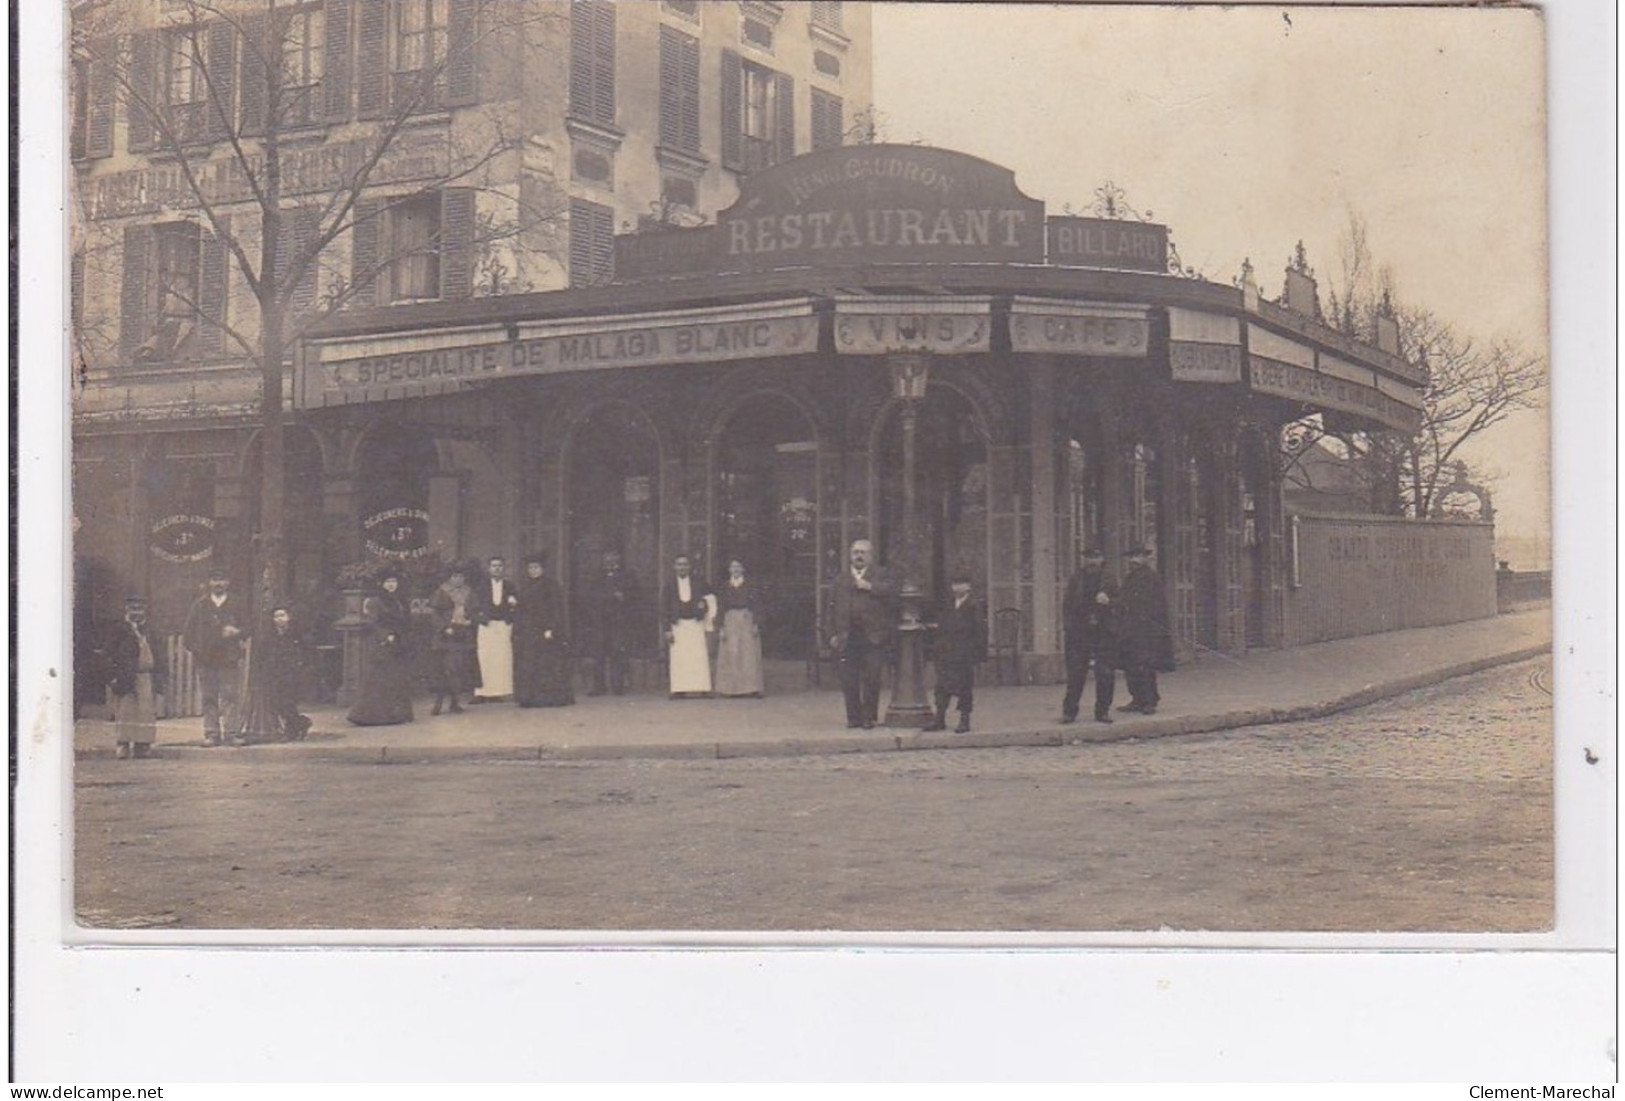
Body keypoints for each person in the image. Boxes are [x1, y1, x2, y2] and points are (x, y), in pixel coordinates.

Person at [828, 539, 897, 729]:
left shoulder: (881, 575)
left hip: (873, 635)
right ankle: (853, 717)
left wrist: (870, 587)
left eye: (863, 552)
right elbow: (831, 607)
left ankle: (869, 717)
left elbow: (893, 593)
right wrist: (832, 633)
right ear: (850, 556)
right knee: (849, 678)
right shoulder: (840, 579)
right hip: (847, 635)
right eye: (855, 552)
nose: (859, 556)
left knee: (872, 677)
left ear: (870, 556)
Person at [182, 566, 249, 746]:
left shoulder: (236, 603)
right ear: (209, 583)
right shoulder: (200, 605)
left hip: (228, 659)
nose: (218, 583)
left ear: (227, 583)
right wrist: (200, 650)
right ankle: (211, 734)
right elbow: (188, 635)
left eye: (221, 579)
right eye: (214, 579)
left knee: (230, 696)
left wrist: (237, 632)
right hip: (206, 660)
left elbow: (248, 629)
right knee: (209, 697)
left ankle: (231, 733)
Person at [347, 570, 415, 726]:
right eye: (388, 582)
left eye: (394, 582)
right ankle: (369, 716)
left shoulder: (399, 600)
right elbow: (373, 622)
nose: (391, 585)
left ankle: (396, 715)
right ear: (381, 584)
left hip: (399, 642)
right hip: (382, 643)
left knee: (396, 679)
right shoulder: (375, 601)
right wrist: (386, 636)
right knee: (379, 679)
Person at [1059, 546, 1118, 724]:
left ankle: (1102, 711)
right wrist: (1069, 625)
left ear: (1102, 559)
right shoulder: (1077, 579)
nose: (1092, 561)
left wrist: (1109, 602)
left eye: (1096, 557)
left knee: (1105, 673)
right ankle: (1069, 712)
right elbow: (1067, 604)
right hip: (1080, 631)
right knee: (1076, 673)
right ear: (1084, 560)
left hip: (1103, 631)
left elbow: (1122, 603)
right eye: (1089, 557)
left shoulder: (1110, 579)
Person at [1115, 545, 1175, 715]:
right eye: (1131, 557)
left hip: (1146, 631)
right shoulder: (1130, 578)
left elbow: (1156, 605)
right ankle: (1136, 699)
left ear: (1145, 559)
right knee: (1130, 665)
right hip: (1129, 629)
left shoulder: (1151, 578)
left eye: (1138, 556)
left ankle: (1150, 701)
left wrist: (1147, 620)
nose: (1133, 560)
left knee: (1145, 665)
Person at [925, 574, 987, 733]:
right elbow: (942, 626)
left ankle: (964, 720)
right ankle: (939, 718)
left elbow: (980, 631)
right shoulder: (949, 604)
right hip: (946, 652)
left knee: (964, 687)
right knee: (942, 686)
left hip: (964, 653)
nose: (957, 588)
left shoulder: (974, 605)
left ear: (968, 587)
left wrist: (977, 654)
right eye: (954, 584)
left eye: (961, 584)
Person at [106, 596, 166, 758]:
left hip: (146, 676)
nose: (136, 613)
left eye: (139, 609)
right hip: (126, 676)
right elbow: (109, 654)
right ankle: (123, 744)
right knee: (126, 711)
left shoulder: (151, 630)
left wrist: (160, 677)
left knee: (145, 711)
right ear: (127, 610)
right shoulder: (119, 629)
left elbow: (161, 654)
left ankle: (143, 745)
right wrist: (112, 676)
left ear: (145, 611)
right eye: (133, 609)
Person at [513, 554, 574, 707]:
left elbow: (556, 609)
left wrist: (551, 628)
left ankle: (548, 698)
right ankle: (529, 698)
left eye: (536, 567)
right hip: (528, 630)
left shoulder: (551, 585)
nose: (533, 571)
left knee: (546, 664)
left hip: (544, 629)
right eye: (530, 568)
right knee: (529, 664)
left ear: (543, 569)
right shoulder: (525, 585)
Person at [582, 549, 641, 696]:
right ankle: (599, 686)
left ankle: (618, 685)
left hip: (619, 620)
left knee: (618, 652)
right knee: (598, 653)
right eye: (608, 558)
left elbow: (635, 596)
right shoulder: (597, 577)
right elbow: (589, 596)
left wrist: (624, 597)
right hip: (600, 620)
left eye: (614, 558)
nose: (610, 561)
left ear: (619, 559)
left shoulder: (627, 576)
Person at [662, 554, 716, 698]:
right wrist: (667, 629)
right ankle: (679, 689)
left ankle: (703, 688)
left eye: (685, 564)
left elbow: (711, 598)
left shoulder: (699, 583)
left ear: (689, 567)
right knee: (679, 659)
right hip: (678, 625)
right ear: (675, 567)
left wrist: (703, 607)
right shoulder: (669, 585)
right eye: (679, 564)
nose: (682, 567)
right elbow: (664, 608)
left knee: (699, 657)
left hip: (695, 624)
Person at [427, 565, 478, 715]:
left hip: (462, 635)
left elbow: (475, 611)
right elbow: (435, 615)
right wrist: (444, 627)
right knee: (445, 670)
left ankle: (455, 702)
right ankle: (438, 702)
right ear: (450, 578)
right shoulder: (442, 592)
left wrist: (471, 621)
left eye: (461, 576)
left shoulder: (469, 593)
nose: (458, 579)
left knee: (458, 669)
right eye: (455, 576)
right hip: (445, 637)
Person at [713, 558, 765, 698]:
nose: (735, 569)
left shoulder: (750, 586)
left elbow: (757, 605)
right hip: (729, 620)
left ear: (743, 569)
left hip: (746, 619)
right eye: (733, 567)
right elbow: (720, 607)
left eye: (738, 567)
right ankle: (730, 689)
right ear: (729, 570)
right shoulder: (725, 587)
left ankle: (750, 688)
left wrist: (756, 624)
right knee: (731, 654)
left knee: (748, 654)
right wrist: (721, 627)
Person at [261, 604, 313, 741]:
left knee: (288, 702)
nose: (279, 619)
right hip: (275, 673)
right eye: (276, 616)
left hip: (293, 673)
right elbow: (265, 653)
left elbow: (308, 651)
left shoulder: (297, 634)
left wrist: (303, 667)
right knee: (277, 702)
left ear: (289, 617)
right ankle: (302, 723)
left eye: (282, 616)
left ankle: (291, 731)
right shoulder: (270, 635)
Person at [472, 555, 516, 702]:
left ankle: (498, 692)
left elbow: (517, 605)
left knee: (501, 658)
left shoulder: (510, 586)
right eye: (494, 566)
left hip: (503, 625)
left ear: (503, 568)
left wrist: (511, 612)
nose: (497, 568)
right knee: (485, 657)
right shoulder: (480, 586)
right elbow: (473, 606)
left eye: (499, 566)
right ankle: (482, 692)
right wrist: (481, 618)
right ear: (489, 568)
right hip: (487, 625)